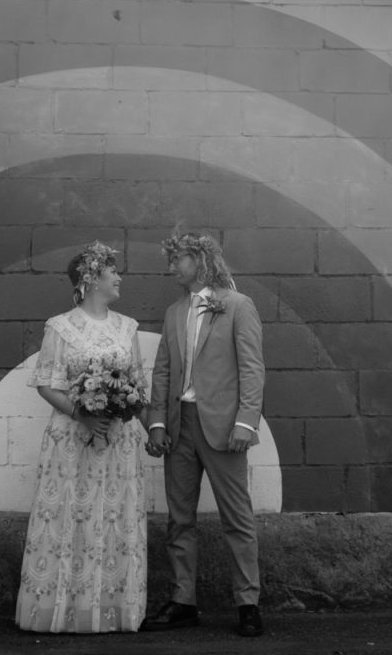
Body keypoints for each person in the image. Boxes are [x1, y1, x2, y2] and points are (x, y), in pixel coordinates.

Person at [14, 241, 150, 633]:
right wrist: (83, 416)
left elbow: (137, 386)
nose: (119, 277)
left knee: (111, 522)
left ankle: (111, 608)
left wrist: (149, 429)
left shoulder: (128, 328)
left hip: (118, 445)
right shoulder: (60, 327)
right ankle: (64, 608)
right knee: (72, 519)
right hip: (73, 440)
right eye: (112, 272)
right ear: (91, 279)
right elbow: (46, 383)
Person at [142, 230, 267, 637]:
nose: (172, 266)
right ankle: (183, 602)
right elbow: (162, 370)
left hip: (225, 427)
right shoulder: (174, 312)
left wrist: (246, 422)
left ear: (200, 259)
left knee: (237, 518)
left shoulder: (238, 305)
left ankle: (248, 604)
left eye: (179, 258)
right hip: (180, 427)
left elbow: (252, 367)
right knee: (179, 520)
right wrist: (157, 422)